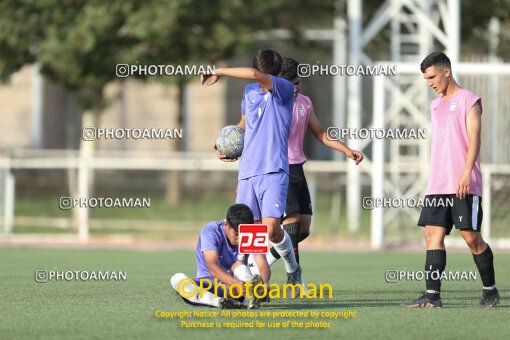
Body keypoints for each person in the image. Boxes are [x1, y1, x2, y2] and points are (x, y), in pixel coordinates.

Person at [248, 57, 363, 275]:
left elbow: (320, 132)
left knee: (303, 228)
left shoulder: (305, 102)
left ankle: (267, 256)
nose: (294, 88)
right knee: (291, 222)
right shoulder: (272, 103)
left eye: (297, 83)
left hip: (298, 167)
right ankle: (294, 275)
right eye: (289, 83)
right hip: (278, 168)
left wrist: (346, 150)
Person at [401, 52, 499, 308]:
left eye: (432, 76)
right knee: (432, 235)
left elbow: (474, 140)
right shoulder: (435, 105)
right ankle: (432, 296)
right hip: (437, 184)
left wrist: (466, 172)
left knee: (471, 238)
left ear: (446, 71)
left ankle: (490, 291)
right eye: (425, 78)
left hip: (463, 183)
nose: (429, 82)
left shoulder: (470, 100)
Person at [202, 49, 302, 289]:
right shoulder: (248, 92)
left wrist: (219, 71)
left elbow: (255, 74)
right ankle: (259, 288)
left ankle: (293, 268)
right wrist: (226, 142)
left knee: (271, 231)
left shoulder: (284, 90)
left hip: (274, 170)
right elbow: (245, 124)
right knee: (250, 236)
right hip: (247, 172)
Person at [170, 204, 269, 309]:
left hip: (236, 289)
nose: (240, 239)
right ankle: (219, 302)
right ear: (226, 224)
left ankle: (250, 296)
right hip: (209, 285)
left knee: (238, 265)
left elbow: (262, 262)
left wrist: (265, 282)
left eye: (244, 235)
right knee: (176, 279)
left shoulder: (252, 231)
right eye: (236, 234)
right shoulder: (210, 231)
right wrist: (236, 283)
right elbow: (212, 267)